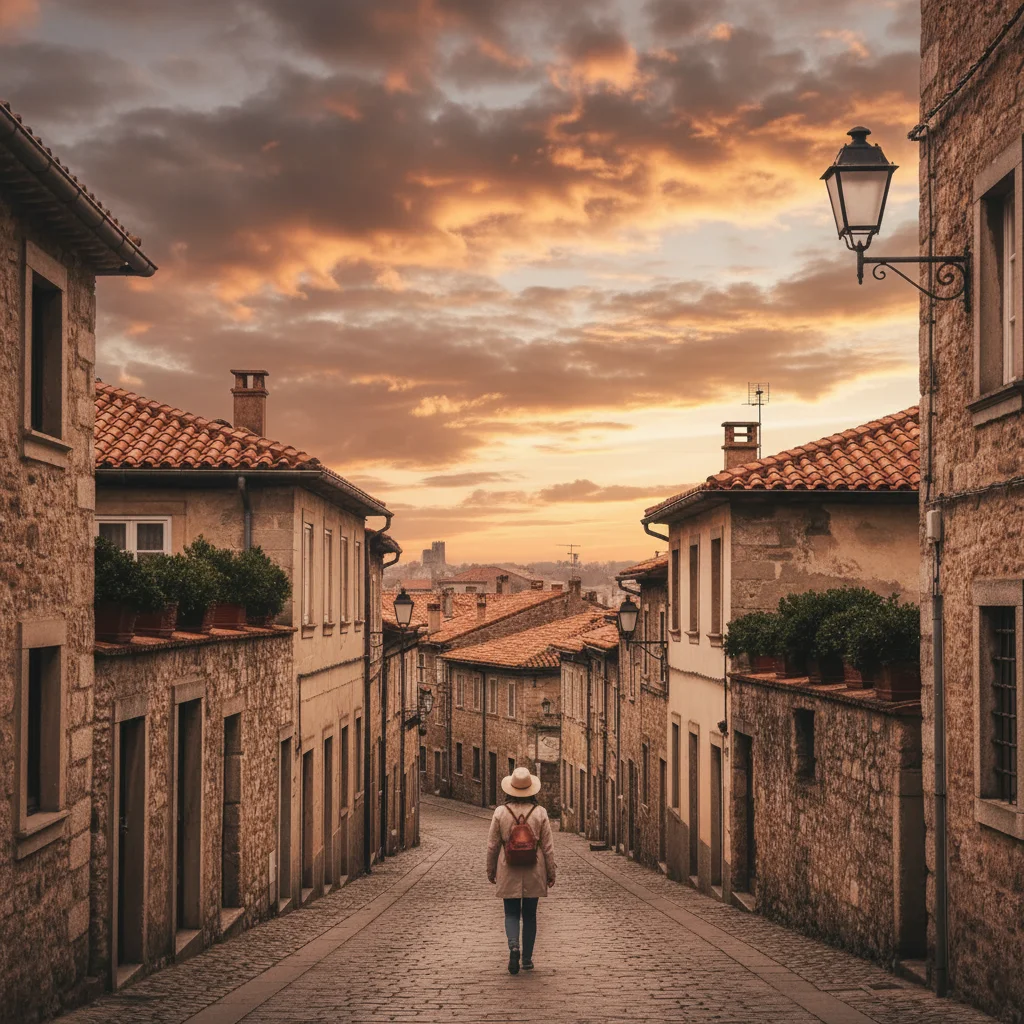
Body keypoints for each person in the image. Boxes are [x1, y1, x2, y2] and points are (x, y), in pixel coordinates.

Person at [486, 765, 557, 975]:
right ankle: (526, 959)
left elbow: (492, 845)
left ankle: (513, 947)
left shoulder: (500, 812)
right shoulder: (540, 812)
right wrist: (551, 873)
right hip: (534, 869)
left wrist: (491, 871)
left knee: (510, 913)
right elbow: (548, 847)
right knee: (530, 915)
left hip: (508, 869)